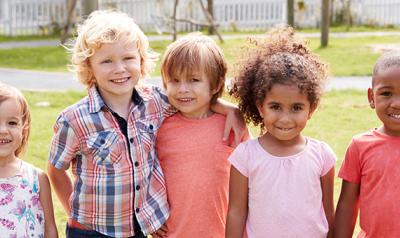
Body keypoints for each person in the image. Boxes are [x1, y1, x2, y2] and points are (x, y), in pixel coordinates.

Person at [47, 10, 245, 238]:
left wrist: (230, 108)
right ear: (89, 67)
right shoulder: (74, 120)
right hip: (91, 231)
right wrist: (72, 210)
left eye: (128, 58)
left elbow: (191, 100)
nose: (119, 68)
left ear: (141, 61)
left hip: (138, 229)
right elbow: (55, 169)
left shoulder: (155, 102)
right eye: (106, 61)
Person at [225, 27, 336, 238]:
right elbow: (236, 213)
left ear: (310, 109)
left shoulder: (322, 156)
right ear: (260, 107)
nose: (285, 119)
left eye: (296, 108)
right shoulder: (245, 156)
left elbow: (328, 213)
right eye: (275, 107)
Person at [152, 33, 248, 238]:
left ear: (215, 85)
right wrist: (149, 216)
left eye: (194, 80)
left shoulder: (232, 125)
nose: (182, 89)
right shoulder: (158, 126)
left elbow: (250, 182)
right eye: (174, 80)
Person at [334, 50, 400, 238]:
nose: (396, 103)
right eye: (386, 93)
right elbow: (346, 206)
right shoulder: (360, 146)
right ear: (371, 97)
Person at [0, 83, 58, 237]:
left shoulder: (36, 178)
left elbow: (50, 228)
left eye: (12, 123)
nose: (3, 130)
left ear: (23, 128)